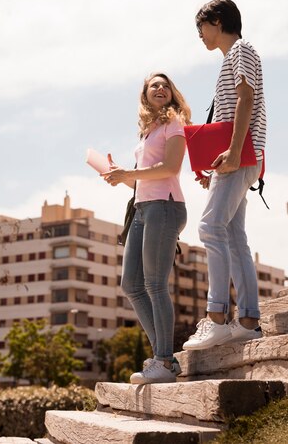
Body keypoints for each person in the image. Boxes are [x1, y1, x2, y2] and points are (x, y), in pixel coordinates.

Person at [183, 0, 266, 351]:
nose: (199, 35)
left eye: (200, 27)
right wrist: (216, 162)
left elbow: (246, 98)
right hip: (240, 158)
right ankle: (247, 320)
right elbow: (232, 111)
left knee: (209, 227)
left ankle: (217, 317)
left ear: (216, 21)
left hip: (240, 156)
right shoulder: (233, 58)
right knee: (233, 236)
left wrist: (232, 153)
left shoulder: (241, 50)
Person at [101, 72, 191, 383]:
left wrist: (132, 172)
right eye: (155, 85)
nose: (161, 89)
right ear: (145, 94)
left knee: (155, 285)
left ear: (172, 93)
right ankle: (163, 358)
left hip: (165, 207)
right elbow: (141, 178)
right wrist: (119, 175)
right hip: (141, 209)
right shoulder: (146, 132)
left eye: (166, 85)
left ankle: (164, 362)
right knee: (131, 285)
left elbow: (170, 168)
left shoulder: (174, 124)